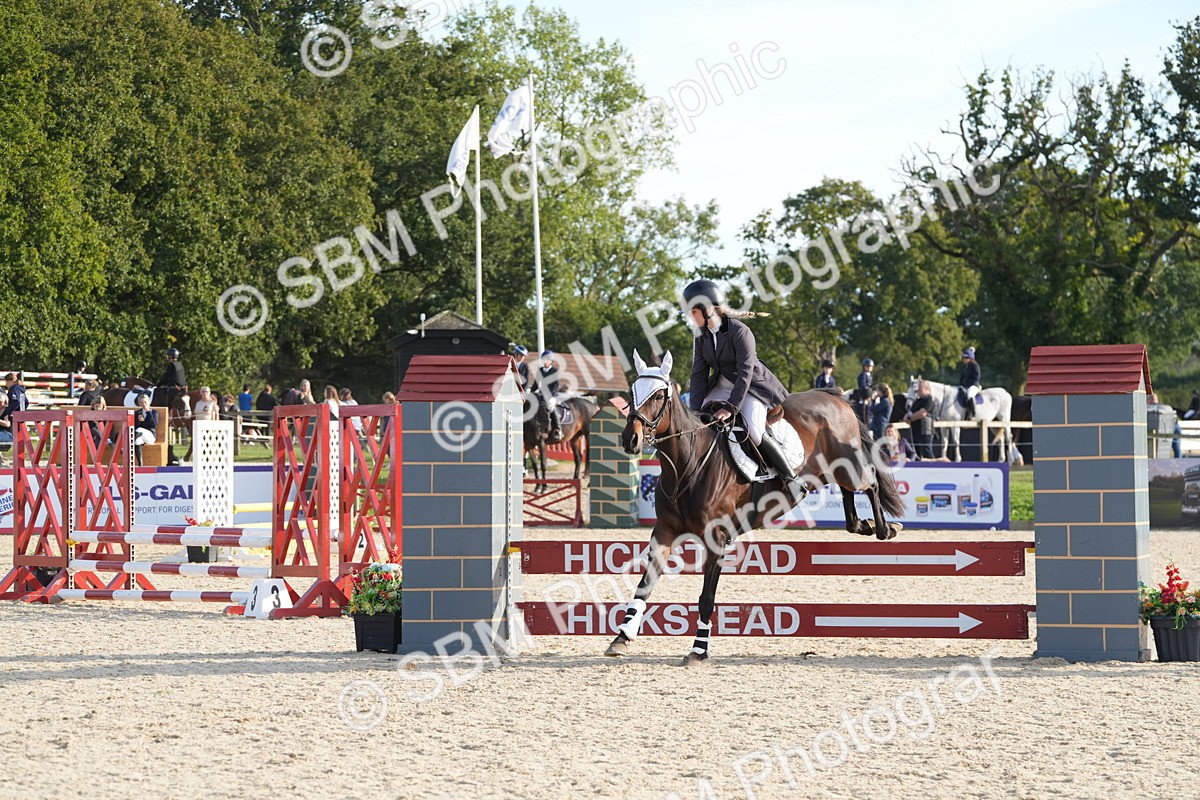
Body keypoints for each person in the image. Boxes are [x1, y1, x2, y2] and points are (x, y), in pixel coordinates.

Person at [683, 278, 805, 506]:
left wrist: (730, 408)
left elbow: (745, 374)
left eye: (693, 311)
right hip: (721, 383)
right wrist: (694, 412)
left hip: (750, 386)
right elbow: (698, 374)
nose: (690, 316)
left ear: (708, 310)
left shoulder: (741, 332)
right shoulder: (701, 335)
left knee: (755, 432)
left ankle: (791, 479)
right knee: (701, 424)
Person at [904, 379, 936, 459]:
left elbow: (922, 413)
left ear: (926, 389)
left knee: (927, 452)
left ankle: (935, 467)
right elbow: (909, 413)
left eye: (920, 388)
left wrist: (910, 418)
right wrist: (907, 417)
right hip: (916, 431)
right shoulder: (917, 401)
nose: (918, 389)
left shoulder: (929, 400)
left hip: (925, 431)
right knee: (918, 453)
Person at [535, 350, 563, 440]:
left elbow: (556, 386)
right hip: (542, 394)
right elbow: (535, 384)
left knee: (551, 407)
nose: (545, 361)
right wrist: (530, 392)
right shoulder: (540, 371)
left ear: (551, 361)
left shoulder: (555, 371)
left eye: (547, 360)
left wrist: (551, 396)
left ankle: (558, 429)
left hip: (552, 395)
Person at [132, 393, 158, 466]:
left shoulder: (154, 412)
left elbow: (154, 425)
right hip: (139, 436)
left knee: (140, 429)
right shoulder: (138, 413)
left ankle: (126, 447)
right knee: (137, 441)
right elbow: (135, 427)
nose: (144, 404)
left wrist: (148, 412)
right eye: (141, 402)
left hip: (150, 436)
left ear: (149, 402)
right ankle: (140, 464)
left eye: (145, 402)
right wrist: (139, 421)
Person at [959, 347, 981, 420]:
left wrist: (967, 384)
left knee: (969, 394)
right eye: (964, 358)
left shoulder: (975, 366)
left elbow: (976, 377)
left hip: (973, 385)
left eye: (966, 358)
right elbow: (962, 377)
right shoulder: (965, 367)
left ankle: (972, 413)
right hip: (966, 386)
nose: (964, 360)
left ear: (970, 358)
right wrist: (960, 385)